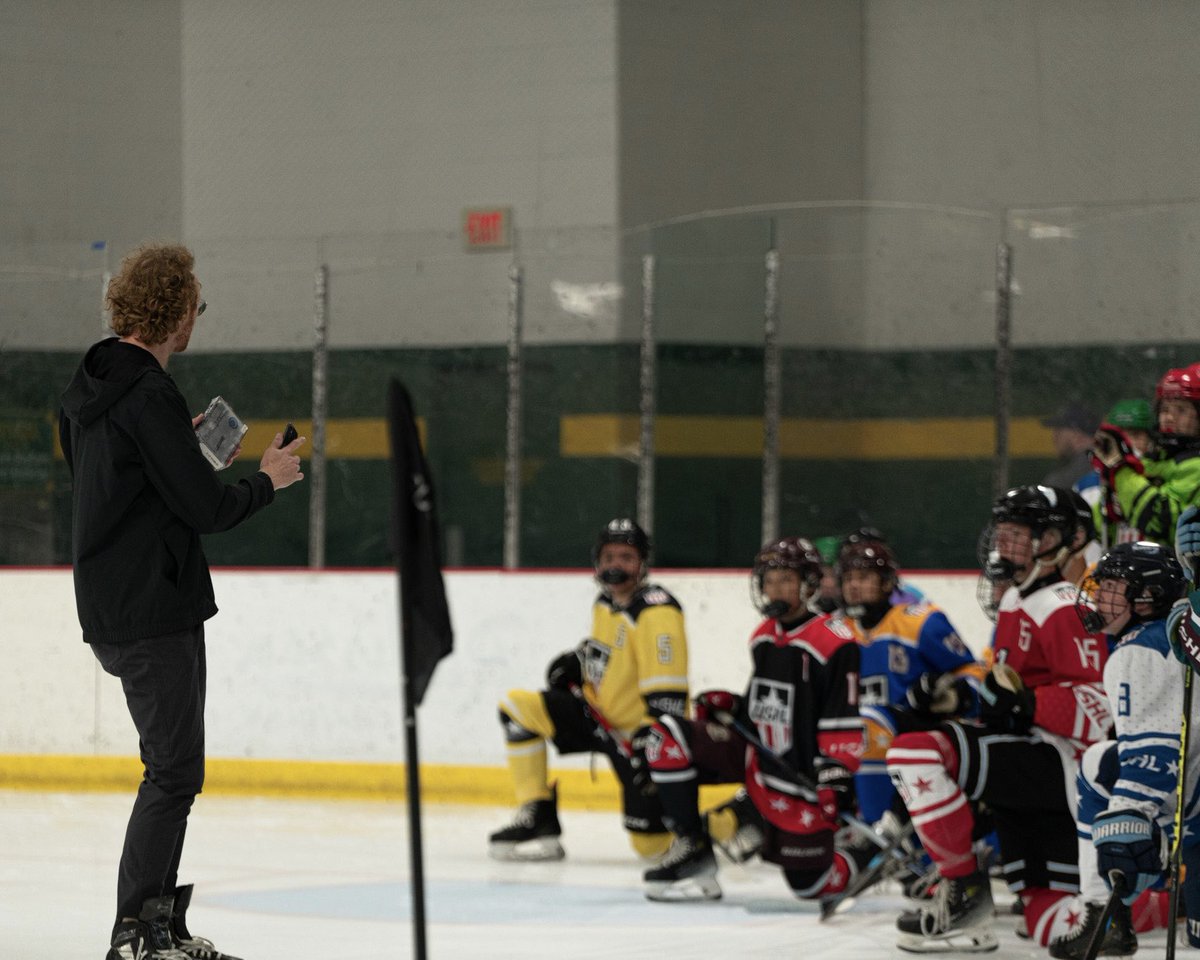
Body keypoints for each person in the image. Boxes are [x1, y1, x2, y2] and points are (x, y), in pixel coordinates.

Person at [58, 243, 305, 960]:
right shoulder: (149, 392)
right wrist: (269, 479)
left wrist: (179, 451)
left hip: (112, 602)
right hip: (154, 606)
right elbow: (207, 510)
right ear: (175, 313)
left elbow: (115, 484)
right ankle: (134, 933)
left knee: (174, 770)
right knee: (171, 772)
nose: (197, 317)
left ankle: (159, 925)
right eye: (196, 305)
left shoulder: (90, 385)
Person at [886, 485, 1111, 952]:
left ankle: (964, 890)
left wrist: (1026, 703)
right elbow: (1009, 691)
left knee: (915, 753)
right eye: (1002, 532)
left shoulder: (1065, 606)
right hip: (1025, 767)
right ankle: (1152, 906)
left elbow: (1098, 710)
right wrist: (972, 702)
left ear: (1055, 540)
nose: (1003, 544)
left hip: (1059, 766)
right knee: (1051, 920)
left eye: (1018, 534)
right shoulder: (1014, 602)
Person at [638, 537, 865, 902]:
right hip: (757, 761)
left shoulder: (834, 641)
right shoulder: (762, 637)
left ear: (808, 584)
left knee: (813, 886)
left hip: (800, 777)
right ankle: (694, 849)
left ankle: (865, 852)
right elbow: (767, 709)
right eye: (769, 580)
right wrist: (733, 706)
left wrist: (836, 775)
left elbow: (842, 717)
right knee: (667, 736)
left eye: (785, 580)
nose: (774, 589)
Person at [488, 518, 688, 863]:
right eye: (609, 557)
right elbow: (609, 655)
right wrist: (579, 662)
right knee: (518, 709)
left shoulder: (656, 612)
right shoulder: (605, 603)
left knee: (652, 848)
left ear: (642, 564)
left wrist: (653, 740)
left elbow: (668, 691)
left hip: (637, 739)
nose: (615, 565)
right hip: (596, 718)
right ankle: (538, 814)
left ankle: (730, 824)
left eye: (626, 557)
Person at [1047, 541, 1191, 959]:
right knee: (1098, 762)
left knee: (1098, 772)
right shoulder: (1175, 635)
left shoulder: (1138, 651)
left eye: (1111, 587)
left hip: (1192, 800)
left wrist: (1128, 815)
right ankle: (1103, 915)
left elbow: (1155, 755)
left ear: (1146, 598)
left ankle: (1104, 918)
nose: (1097, 598)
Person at [834, 537, 983, 829]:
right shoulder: (834, 633)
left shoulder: (921, 623)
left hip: (917, 731)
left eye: (863, 577)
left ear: (887, 582)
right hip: (856, 741)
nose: (854, 586)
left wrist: (953, 694)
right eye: (848, 579)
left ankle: (878, 828)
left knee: (867, 722)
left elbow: (973, 674)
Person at [1092, 362, 1200, 546]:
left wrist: (1120, 468)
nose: (1169, 417)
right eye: (1165, 409)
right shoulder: (1151, 461)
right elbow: (1099, 528)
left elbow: (1157, 520)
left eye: (1181, 410)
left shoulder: (1195, 466)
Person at [1042, 402, 1101, 489]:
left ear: (1077, 436)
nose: (1054, 437)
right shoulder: (1111, 461)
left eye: (1059, 431)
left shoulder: (1065, 479)